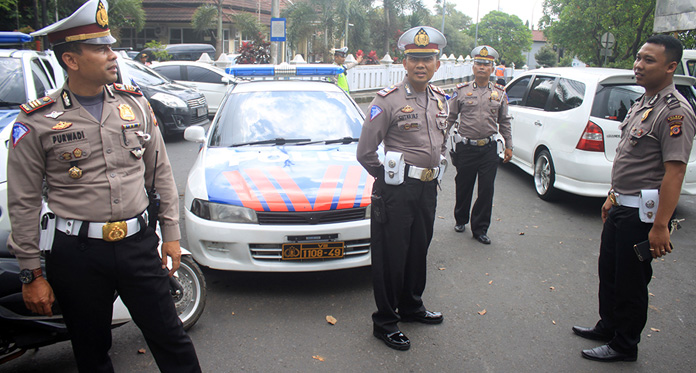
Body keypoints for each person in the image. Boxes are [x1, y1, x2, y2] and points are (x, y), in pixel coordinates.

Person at [8, 1, 201, 371]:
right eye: (100, 49)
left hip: (138, 247)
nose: (113, 55)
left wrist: (172, 234)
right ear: (72, 60)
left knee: (171, 339)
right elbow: (23, 201)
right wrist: (31, 273)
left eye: (110, 46)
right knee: (91, 350)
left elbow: (160, 173)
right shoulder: (37, 121)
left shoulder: (135, 104)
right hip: (76, 256)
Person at [572, 34, 695, 362]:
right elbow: (633, 163)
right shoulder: (644, 102)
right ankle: (608, 326)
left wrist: (660, 226)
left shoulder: (674, 113)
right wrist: (612, 196)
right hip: (621, 207)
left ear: (670, 67)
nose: (639, 65)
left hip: (642, 216)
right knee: (609, 271)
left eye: (648, 60)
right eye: (638, 58)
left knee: (630, 282)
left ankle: (625, 344)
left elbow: (674, 173)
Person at [357, 26, 449, 351]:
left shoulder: (440, 100)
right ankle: (385, 321)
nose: (420, 64)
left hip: (427, 188)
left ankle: (411, 305)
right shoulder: (388, 101)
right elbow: (365, 152)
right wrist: (387, 178)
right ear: (404, 62)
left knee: (418, 249)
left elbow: (440, 142)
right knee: (391, 256)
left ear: (437, 63)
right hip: (397, 190)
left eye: (427, 58)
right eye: (414, 59)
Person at [447, 45, 512, 245]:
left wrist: (509, 145)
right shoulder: (461, 91)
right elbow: (450, 118)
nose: (482, 67)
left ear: (492, 69)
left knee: (486, 190)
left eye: (486, 64)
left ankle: (480, 228)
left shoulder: (500, 93)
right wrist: (439, 140)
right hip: (466, 147)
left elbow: (505, 121)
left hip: (489, 149)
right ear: (473, 68)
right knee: (464, 185)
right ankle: (461, 218)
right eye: (478, 64)